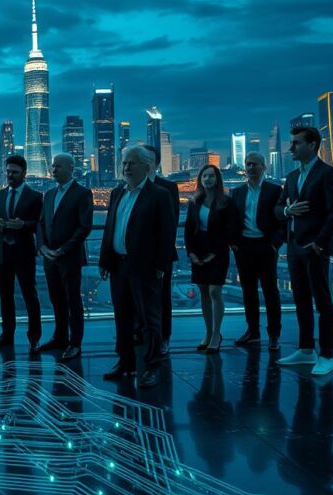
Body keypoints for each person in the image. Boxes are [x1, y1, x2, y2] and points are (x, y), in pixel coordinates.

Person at [98, 145, 175, 388]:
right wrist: (104, 260)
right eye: (124, 163)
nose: (126, 167)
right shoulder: (117, 193)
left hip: (145, 266)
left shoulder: (159, 195)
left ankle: (151, 367)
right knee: (122, 315)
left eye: (132, 163)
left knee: (150, 319)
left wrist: (161, 264)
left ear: (147, 166)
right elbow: (110, 228)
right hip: (118, 265)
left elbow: (167, 232)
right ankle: (125, 362)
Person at [274, 126, 333, 376]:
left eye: (296, 143)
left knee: (322, 301)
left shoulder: (327, 173)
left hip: (314, 248)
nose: (291, 147)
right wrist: (287, 211)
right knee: (301, 298)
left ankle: (326, 355)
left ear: (312, 145)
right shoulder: (292, 177)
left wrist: (319, 243)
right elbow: (278, 208)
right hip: (294, 247)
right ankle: (305, 350)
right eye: (291, 142)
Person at [36, 153, 93, 360]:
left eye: (58, 166)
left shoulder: (83, 193)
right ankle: (60, 337)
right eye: (53, 166)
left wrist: (63, 249)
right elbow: (41, 224)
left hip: (69, 258)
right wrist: (42, 247)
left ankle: (75, 343)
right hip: (50, 258)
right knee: (56, 299)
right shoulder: (49, 194)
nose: (54, 170)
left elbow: (84, 227)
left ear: (71, 168)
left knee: (73, 301)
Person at [0, 154, 43, 352]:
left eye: (14, 172)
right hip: (2, 253)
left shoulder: (35, 197)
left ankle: (34, 338)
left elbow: (39, 224)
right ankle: (7, 336)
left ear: (24, 173)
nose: (10, 175)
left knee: (29, 295)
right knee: (5, 296)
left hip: (24, 253)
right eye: (8, 171)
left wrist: (23, 224)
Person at [231, 152, 286, 350]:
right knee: (248, 291)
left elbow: (282, 221)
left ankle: (274, 335)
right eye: (248, 164)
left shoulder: (274, 190)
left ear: (264, 167)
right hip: (244, 247)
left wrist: (274, 245)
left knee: (270, 291)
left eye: (255, 164)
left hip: (266, 246)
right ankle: (253, 332)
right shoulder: (237, 192)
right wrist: (234, 243)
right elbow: (232, 220)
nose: (251, 167)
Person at [184, 164, 239, 353]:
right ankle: (208, 332)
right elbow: (189, 229)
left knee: (215, 291)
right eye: (204, 176)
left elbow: (231, 229)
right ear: (200, 180)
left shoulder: (226, 202)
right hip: (199, 249)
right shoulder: (194, 201)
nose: (208, 179)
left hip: (218, 250)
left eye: (211, 176)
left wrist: (213, 253)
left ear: (217, 179)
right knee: (204, 292)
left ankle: (216, 334)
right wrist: (191, 253)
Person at [144, 145, 180, 356]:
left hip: (160, 254)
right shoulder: (130, 186)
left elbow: (171, 224)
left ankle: (164, 337)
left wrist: (162, 255)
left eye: (148, 159)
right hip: (136, 255)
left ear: (156, 163)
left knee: (163, 297)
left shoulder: (168, 187)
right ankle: (143, 335)